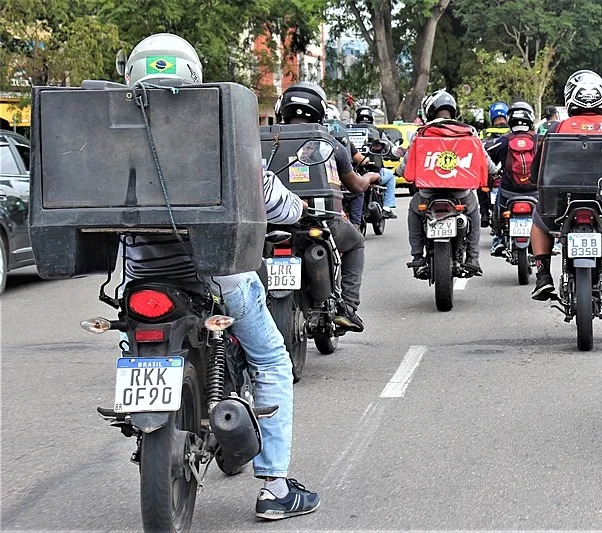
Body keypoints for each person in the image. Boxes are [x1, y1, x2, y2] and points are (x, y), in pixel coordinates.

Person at [122, 33, 319, 520]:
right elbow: (269, 197)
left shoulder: (113, 140)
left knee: (133, 338)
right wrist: (299, 208)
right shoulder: (217, 135)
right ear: (193, 78)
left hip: (143, 280)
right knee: (273, 361)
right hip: (218, 278)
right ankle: (275, 486)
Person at [276, 82, 380, 331]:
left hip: (272, 226)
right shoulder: (331, 143)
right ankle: (348, 307)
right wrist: (370, 178)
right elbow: (356, 186)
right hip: (321, 222)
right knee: (356, 242)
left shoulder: (264, 140)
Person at [530, 70, 602, 300]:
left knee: (539, 220)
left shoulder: (555, 129)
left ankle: (543, 275)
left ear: (570, 98)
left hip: (562, 204)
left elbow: (537, 171)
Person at [397, 90, 499, 276]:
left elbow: (405, 169)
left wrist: (399, 171)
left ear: (429, 112)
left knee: (413, 211)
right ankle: (472, 258)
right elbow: (487, 164)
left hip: (428, 196)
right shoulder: (469, 132)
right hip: (460, 196)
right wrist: (495, 171)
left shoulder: (421, 133)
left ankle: (418, 257)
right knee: (474, 211)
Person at [487, 101, 539, 255]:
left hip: (509, 191)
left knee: (497, 209)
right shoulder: (539, 140)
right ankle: (553, 241)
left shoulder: (503, 141)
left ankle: (498, 238)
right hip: (534, 191)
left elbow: (488, 160)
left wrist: (494, 172)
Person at [352, 105, 398, 218]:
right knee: (391, 176)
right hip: (374, 172)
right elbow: (389, 148)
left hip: (352, 172)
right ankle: (387, 207)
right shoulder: (378, 132)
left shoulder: (349, 132)